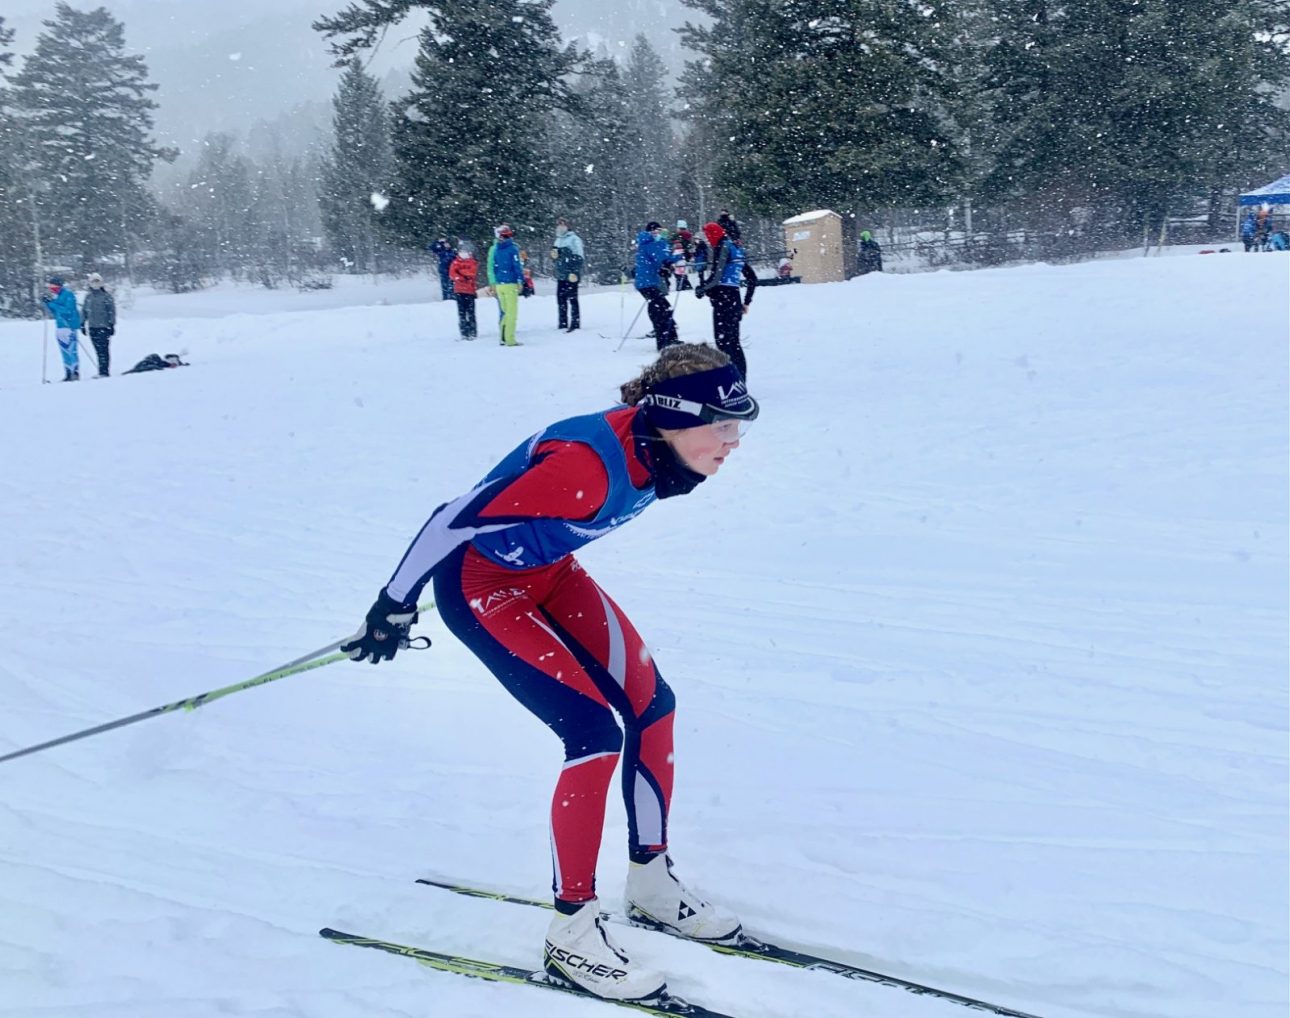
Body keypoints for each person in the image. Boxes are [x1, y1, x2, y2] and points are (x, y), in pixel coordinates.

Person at [340, 342, 757, 1002]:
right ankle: (573, 932)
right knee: (593, 733)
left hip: (552, 575)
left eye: (740, 427)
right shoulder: (586, 470)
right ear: (675, 419)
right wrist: (392, 606)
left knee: (653, 706)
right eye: (724, 427)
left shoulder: (659, 448)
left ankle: (649, 882)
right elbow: (451, 518)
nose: (734, 443)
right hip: (485, 589)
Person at [696, 219, 756, 380]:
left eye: (708, 236)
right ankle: (740, 379)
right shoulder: (735, 248)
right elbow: (752, 278)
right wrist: (746, 302)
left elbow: (717, 276)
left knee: (723, 343)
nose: (708, 240)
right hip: (733, 299)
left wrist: (702, 289)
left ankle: (730, 380)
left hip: (724, 300)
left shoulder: (722, 247)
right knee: (733, 343)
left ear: (713, 234)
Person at [634, 221, 683, 351]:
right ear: (650, 232)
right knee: (659, 309)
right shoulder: (649, 244)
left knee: (664, 308)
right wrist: (680, 256)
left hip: (649, 282)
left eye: (660, 231)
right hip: (646, 283)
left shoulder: (651, 244)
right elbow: (662, 258)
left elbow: (662, 259)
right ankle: (664, 342)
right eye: (655, 231)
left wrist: (668, 264)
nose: (658, 234)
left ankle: (670, 338)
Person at [486, 224, 524, 347]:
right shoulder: (513, 249)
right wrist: (520, 280)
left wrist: (494, 281)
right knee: (512, 313)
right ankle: (510, 339)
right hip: (510, 283)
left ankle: (502, 336)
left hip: (499, 284)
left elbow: (492, 267)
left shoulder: (496, 249)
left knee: (504, 311)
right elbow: (517, 266)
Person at [41, 275, 81, 381]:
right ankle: (68, 373)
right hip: (60, 326)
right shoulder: (57, 296)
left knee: (72, 350)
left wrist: (52, 304)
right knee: (64, 351)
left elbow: (67, 310)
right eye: (50, 287)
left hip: (69, 326)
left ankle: (75, 372)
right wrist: (47, 303)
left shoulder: (68, 294)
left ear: (58, 286)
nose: (51, 289)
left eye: (53, 287)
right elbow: (54, 312)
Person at [79, 272, 116, 377]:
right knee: (97, 350)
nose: (95, 284)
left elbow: (111, 311)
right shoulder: (88, 297)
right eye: (93, 282)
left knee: (103, 350)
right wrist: (82, 323)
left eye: (97, 281)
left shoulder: (106, 296)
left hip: (104, 327)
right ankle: (101, 370)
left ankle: (104, 371)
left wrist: (111, 325)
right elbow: (84, 311)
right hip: (92, 327)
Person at [552, 217, 584, 332]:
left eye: (563, 224)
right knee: (561, 299)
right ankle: (563, 322)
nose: (560, 226)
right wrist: (554, 256)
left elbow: (579, 257)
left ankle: (575, 323)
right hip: (561, 275)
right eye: (559, 224)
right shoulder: (557, 240)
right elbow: (555, 258)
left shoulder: (574, 239)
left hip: (571, 275)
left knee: (572, 299)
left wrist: (574, 271)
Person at [448, 245, 479, 340]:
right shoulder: (455, 262)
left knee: (471, 313)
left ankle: (472, 332)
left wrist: (460, 273)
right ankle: (464, 332)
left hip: (470, 291)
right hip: (459, 291)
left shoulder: (472, 262)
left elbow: (472, 273)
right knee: (462, 313)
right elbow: (452, 274)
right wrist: (463, 276)